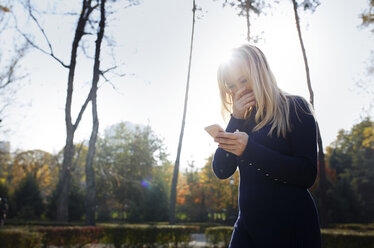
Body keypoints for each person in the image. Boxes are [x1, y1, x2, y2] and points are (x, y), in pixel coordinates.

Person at [212, 44, 322, 248]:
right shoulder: (242, 122)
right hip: (247, 228)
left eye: (243, 80)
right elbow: (221, 170)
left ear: (260, 72)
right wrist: (234, 119)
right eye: (232, 86)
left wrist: (249, 149)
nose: (239, 91)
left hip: (292, 229)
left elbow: (307, 174)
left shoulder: (296, 107)